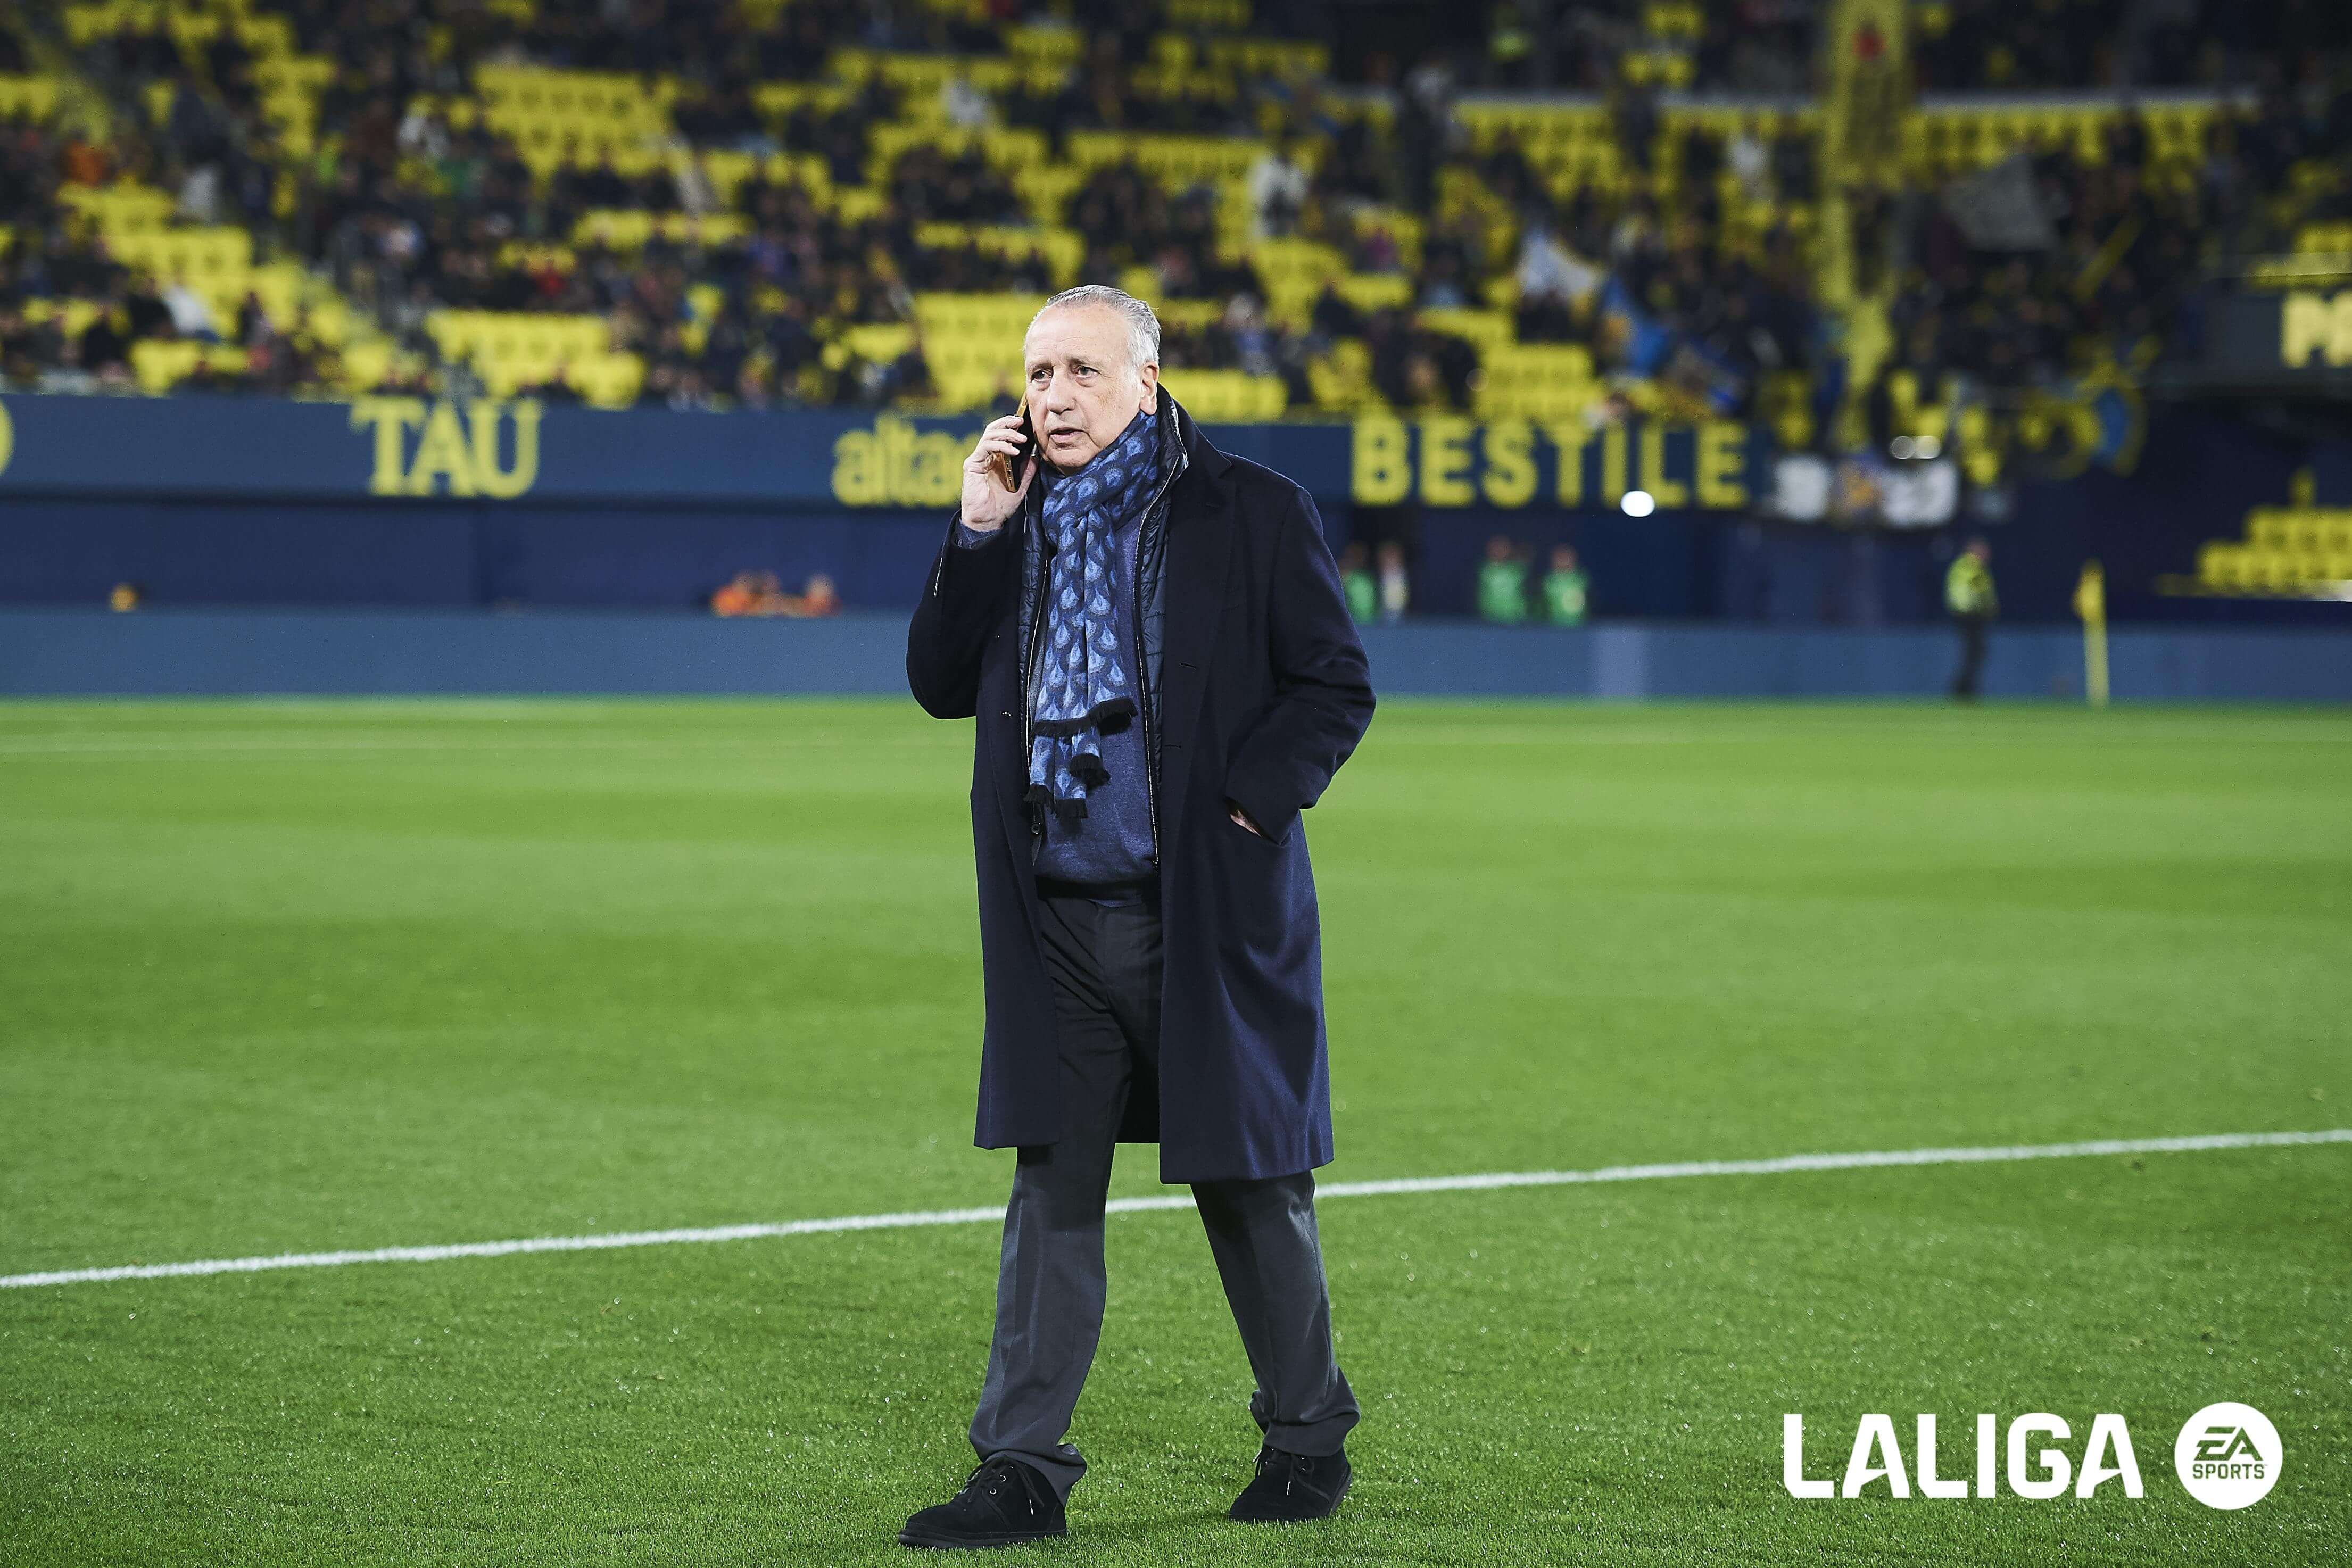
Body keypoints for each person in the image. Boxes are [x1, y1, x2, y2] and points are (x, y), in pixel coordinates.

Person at [904, 284, 1374, 1548]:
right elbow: (938, 684)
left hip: (1202, 914)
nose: (1053, 398)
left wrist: (1247, 808)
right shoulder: (1017, 518)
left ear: (1147, 381)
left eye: (1081, 372)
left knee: (1250, 1179)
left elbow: (1333, 685)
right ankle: (1020, 1468)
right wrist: (975, 531)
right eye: (1037, 374)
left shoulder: (1250, 509)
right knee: (1050, 1190)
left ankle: (1306, 1439)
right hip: (1054, 917)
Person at [1947, 535, 1997, 700]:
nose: (1987, 554)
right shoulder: (1971, 568)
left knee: (1975, 653)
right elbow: (1976, 593)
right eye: (1983, 551)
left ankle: (1965, 688)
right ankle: (1963, 690)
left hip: (1970, 615)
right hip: (1969, 616)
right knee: (1973, 653)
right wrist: (1986, 608)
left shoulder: (1968, 567)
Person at [1477, 534, 1530, 624]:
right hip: (1490, 618)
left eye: (1503, 548)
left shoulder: (1518, 570)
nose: (1499, 551)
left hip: (1515, 619)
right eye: (1496, 548)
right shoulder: (1485, 571)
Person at [1542, 543, 1588, 626]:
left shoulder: (1582, 580)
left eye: (1566, 557)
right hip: (1553, 626)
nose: (1563, 561)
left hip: (1580, 626)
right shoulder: (1548, 582)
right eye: (1560, 558)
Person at [1338, 539, 1378, 625]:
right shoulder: (1343, 577)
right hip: (1351, 623)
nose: (1354, 559)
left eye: (1358, 557)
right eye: (1351, 556)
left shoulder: (1368, 579)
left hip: (1372, 624)